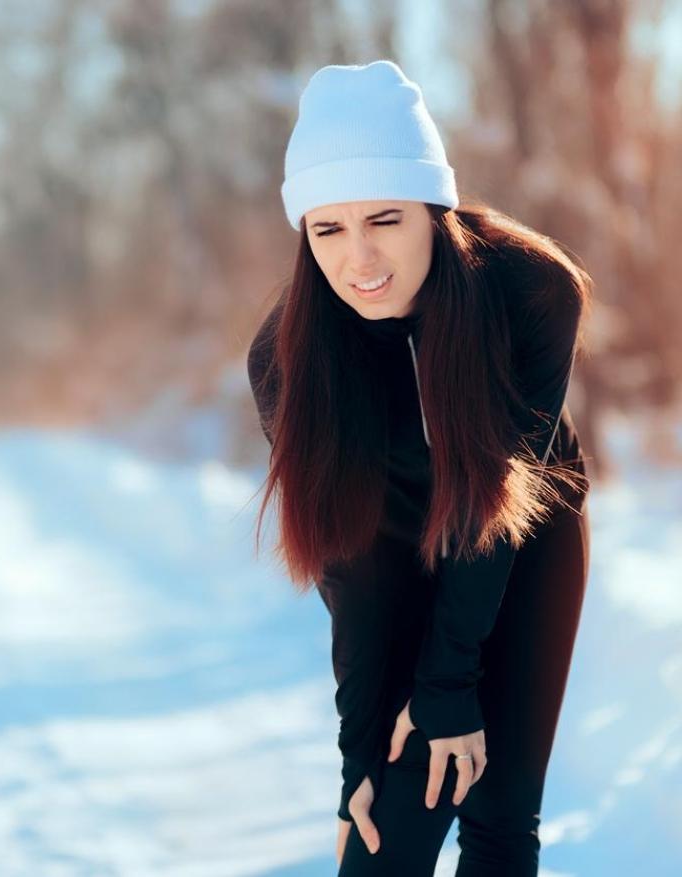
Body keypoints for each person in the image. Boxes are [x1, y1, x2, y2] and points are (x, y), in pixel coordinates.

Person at [245, 60, 592, 876]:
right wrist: (360, 752)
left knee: (500, 810)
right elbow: (348, 564)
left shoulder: (530, 293)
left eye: (385, 218)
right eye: (326, 230)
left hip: (523, 521)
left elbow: (495, 507)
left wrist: (446, 687)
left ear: (433, 209)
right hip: (388, 538)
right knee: (382, 840)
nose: (359, 258)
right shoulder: (284, 362)